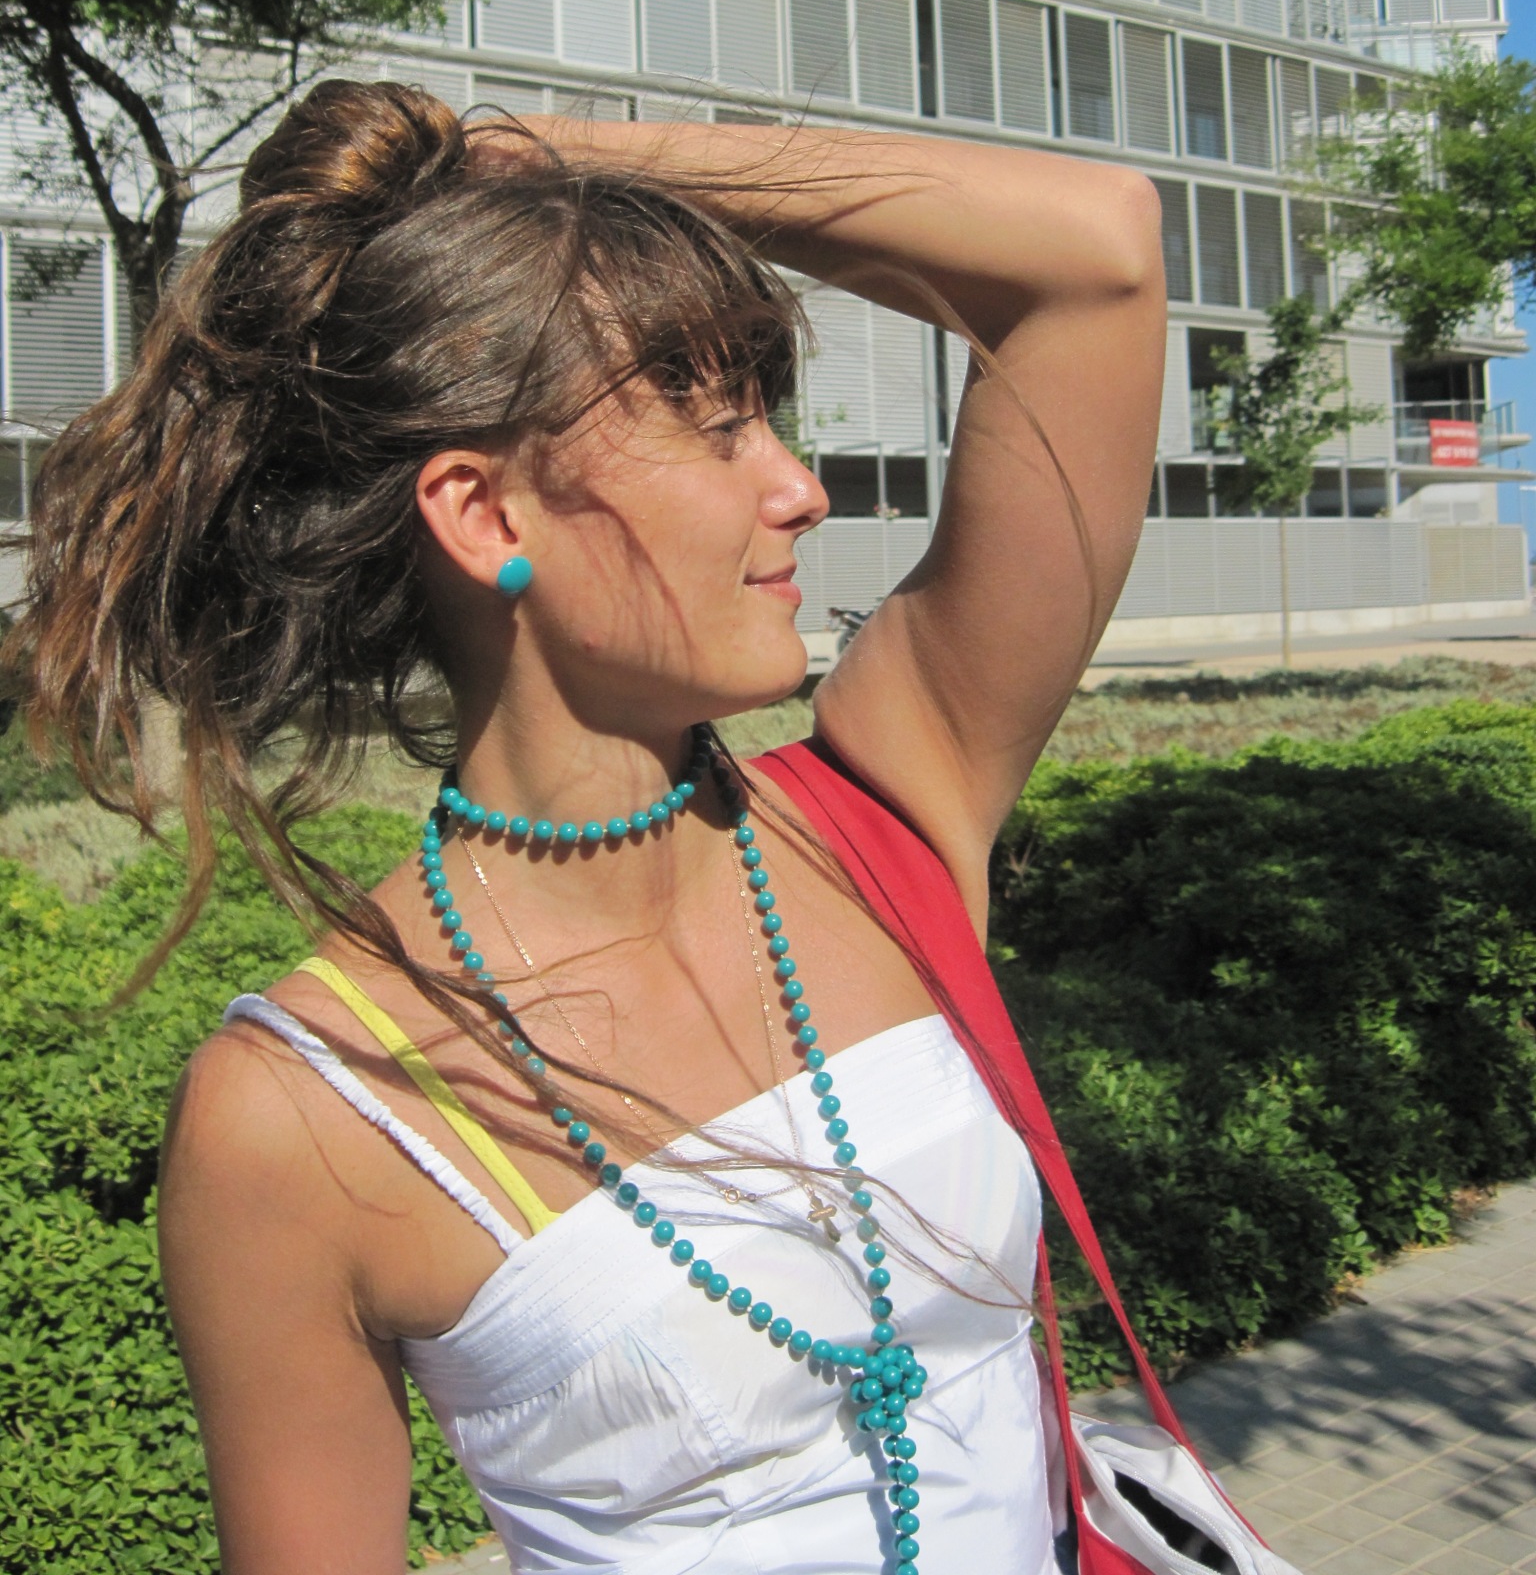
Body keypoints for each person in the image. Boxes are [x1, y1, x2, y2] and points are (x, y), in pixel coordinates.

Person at [14, 82, 1164, 1575]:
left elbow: (1099, 252)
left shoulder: (887, 818)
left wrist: (543, 162)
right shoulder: (305, 1110)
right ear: (487, 517)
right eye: (713, 427)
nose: (800, 488)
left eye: (769, 418)